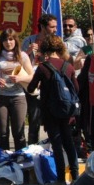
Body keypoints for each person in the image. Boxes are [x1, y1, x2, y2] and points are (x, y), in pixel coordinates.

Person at [27, 35, 80, 185]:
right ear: (60, 49)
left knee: (56, 144)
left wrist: (41, 87)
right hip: (67, 111)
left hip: (50, 112)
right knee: (68, 142)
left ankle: (61, 179)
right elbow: (76, 89)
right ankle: (75, 177)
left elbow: (31, 88)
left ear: (44, 49)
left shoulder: (43, 67)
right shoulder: (68, 67)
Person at [0, 29, 34, 151]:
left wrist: (20, 78)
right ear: (2, 41)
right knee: (2, 133)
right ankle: (4, 162)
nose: (8, 42)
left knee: (18, 132)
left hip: (18, 97)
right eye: (5, 39)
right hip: (0, 97)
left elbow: (32, 76)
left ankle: (20, 161)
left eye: (11, 39)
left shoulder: (23, 56)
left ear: (15, 40)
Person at [23, 14, 58, 144]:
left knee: (52, 120)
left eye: (56, 27)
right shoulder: (30, 40)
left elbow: (63, 60)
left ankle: (52, 148)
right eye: (52, 27)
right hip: (34, 85)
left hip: (51, 85)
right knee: (34, 120)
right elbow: (19, 60)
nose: (55, 30)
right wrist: (27, 52)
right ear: (43, 27)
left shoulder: (57, 41)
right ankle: (32, 149)